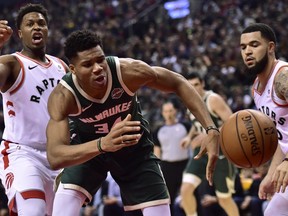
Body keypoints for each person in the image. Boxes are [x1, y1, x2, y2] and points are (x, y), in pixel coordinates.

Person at [46, 29, 220, 216]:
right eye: (88, 64)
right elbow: (55, 157)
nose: (97, 68)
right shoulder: (63, 96)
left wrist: (211, 129)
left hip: (134, 150)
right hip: (89, 151)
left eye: (100, 60)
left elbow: (178, 82)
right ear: (73, 69)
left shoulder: (128, 71)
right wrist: (102, 144)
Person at [0, 3, 68, 216]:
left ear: (48, 30)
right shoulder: (11, 63)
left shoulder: (61, 67)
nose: (36, 27)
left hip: (59, 156)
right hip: (23, 153)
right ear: (20, 33)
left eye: (41, 23)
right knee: (33, 210)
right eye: (30, 24)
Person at [240, 23, 288, 216]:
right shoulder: (257, 87)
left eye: (254, 45)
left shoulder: (283, 77)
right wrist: (271, 173)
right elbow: (280, 137)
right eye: (243, 47)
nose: (247, 52)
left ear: (270, 48)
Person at [180, 72, 239, 216]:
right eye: (190, 86)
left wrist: (208, 135)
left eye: (196, 84)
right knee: (185, 191)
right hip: (201, 152)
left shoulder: (213, 100)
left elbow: (233, 123)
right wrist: (189, 137)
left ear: (203, 84)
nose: (194, 88)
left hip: (221, 152)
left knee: (224, 199)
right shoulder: (189, 101)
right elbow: (197, 124)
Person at [153, 100, 191, 215]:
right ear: (162, 113)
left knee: (189, 196)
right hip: (167, 167)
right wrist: (157, 172)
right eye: (165, 111)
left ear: (176, 111)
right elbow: (157, 153)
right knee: (168, 199)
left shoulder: (185, 126)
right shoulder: (158, 130)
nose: (168, 113)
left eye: (170, 110)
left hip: (185, 165)